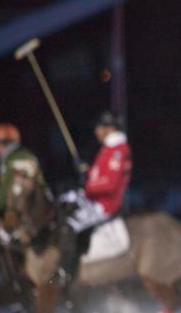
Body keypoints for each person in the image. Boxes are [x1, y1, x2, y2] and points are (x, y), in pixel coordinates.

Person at [54, 111, 132, 286]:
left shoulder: (118, 151)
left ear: (109, 128)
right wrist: (87, 171)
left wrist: (86, 186)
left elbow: (110, 184)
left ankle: (67, 272)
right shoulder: (108, 148)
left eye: (99, 127)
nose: (96, 131)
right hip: (93, 198)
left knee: (69, 225)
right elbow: (100, 176)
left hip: (104, 205)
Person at [0, 123, 46, 221]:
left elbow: (8, 187)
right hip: (38, 206)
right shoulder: (23, 155)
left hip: (27, 213)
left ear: (4, 143)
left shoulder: (14, 159)